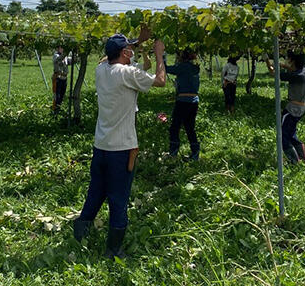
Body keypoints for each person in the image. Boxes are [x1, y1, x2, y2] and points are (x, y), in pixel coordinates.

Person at [73, 28, 165, 258]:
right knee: (119, 198)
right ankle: (113, 250)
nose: (132, 52)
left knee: (96, 192)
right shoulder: (126, 73)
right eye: (129, 49)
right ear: (124, 53)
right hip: (122, 150)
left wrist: (137, 41)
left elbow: (110, 55)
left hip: (101, 146)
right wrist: (159, 54)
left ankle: (79, 236)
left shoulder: (101, 69)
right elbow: (161, 81)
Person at [265, 52, 305, 164]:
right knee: (291, 133)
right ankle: (302, 156)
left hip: (292, 109)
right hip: (301, 108)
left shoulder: (295, 76)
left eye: (288, 59)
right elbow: (293, 69)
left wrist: (267, 61)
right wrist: (281, 65)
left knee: (282, 136)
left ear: (293, 61)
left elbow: (273, 73)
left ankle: (295, 161)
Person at [165, 49, 201, 160]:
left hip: (183, 100)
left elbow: (167, 69)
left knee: (175, 127)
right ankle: (195, 153)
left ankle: (173, 153)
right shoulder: (195, 68)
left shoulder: (183, 67)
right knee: (190, 127)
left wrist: (161, 58)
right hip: (194, 100)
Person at [52, 46, 72, 113]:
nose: (62, 49)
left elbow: (72, 60)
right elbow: (59, 59)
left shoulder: (65, 57)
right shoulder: (56, 55)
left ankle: (59, 108)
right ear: (57, 49)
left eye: (63, 48)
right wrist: (66, 52)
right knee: (57, 95)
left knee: (62, 94)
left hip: (64, 78)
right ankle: (55, 110)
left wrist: (76, 53)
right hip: (58, 78)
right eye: (61, 48)